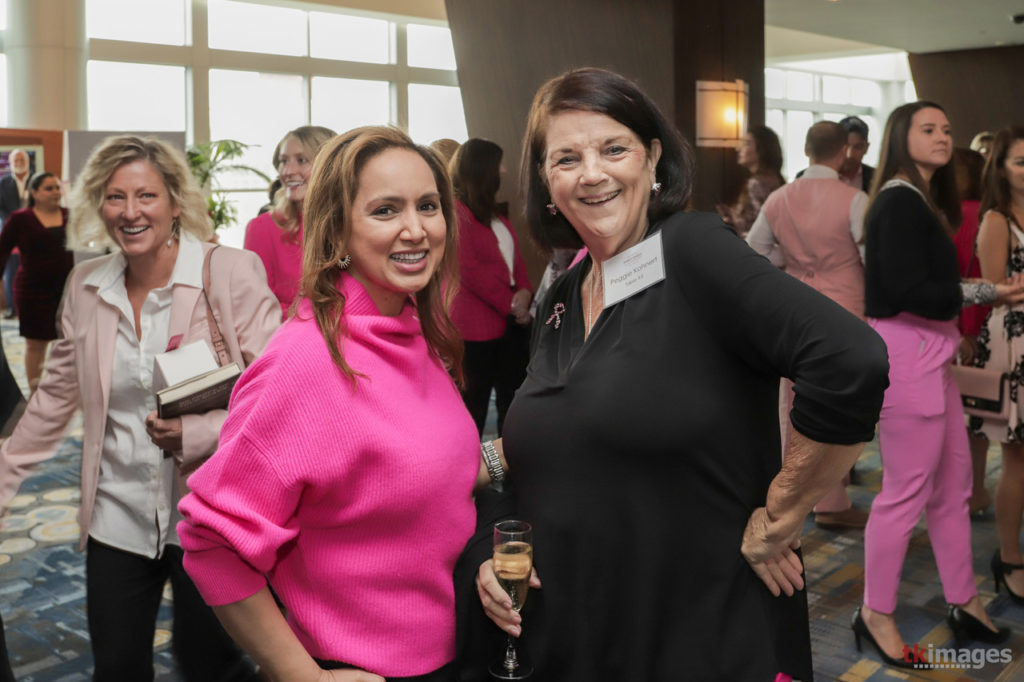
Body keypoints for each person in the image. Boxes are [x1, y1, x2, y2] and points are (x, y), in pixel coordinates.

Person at [470, 67, 889, 681]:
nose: (591, 173)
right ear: (544, 179)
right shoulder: (564, 295)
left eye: (614, 149)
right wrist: (491, 541)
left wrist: (782, 513)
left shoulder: (689, 249)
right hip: (580, 625)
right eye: (566, 158)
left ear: (654, 158)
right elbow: (557, 437)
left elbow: (851, 359)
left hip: (692, 629)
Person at [178, 126, 486, 681]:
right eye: (385, 210)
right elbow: (210, 542)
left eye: (428, 206)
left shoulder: (410, 328)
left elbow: (407, 471)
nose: (415, 229)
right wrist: (306, 678)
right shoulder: (307, 361)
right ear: (339, 229)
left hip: (450, 649)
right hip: (362, 665)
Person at [0, 134, 279, 681]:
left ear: (176, 202)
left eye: (146, 196)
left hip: (209, 515)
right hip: (117, 515)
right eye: (114, 197)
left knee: (208, 664)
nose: (129, 212)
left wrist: (199, 434)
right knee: (118, 665)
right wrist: (4, 476)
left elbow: (278, 397)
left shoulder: (228, 274)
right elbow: (55, 396)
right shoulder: (86, 286)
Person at [857, 102, 1017, 669]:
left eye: (947, 129)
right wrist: (985, 292)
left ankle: (964, 600)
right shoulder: (899, 200)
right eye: (929, 129)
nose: (943, 137)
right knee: (903, 495)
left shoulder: (918, 198)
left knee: (953, 487)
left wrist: (976, 292)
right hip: (908, 355)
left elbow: (924, 286)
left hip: (932, 352)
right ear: (901, 138)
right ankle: (874, 613)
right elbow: (901, 290)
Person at [747, 121, 870, 530]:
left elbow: (754, 253)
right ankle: (832, 502)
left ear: (805, 149)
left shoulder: (780, 198)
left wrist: (792, 265)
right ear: (842, 154)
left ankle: (791, 496)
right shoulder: (855, 199)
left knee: (792, 406)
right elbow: (870, 258)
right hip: (845, 310)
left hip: (795, 309)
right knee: (838, 408)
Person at [971, 125, 1024, 603]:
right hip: (1015, 343)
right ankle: (1010, 557)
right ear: (1002, 170)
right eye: (1020, 161)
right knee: (1017, 457)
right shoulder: (996, 220)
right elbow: (993, 289)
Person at [449, 139, 533, 436]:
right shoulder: (457, 213)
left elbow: (517, 260)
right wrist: (512, 303)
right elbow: (468, 270)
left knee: (513, 402)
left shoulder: (495, 214)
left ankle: (504, 471)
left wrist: (524, 292)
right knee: (474, 406)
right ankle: (470, 477)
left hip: (511, 322)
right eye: (499, 163)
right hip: (476, 331)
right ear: (482, 169)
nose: (504, 169)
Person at [244, 125, 335, 319]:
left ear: (329, 166)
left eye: (301, 160)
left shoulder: (352, 224)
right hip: (289, 342)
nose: (287, 171)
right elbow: (255, 308)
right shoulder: (263, 228)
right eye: (283, 161)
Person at [0, 172, 73, 392]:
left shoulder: (71, 216)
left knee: (67, 344)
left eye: (57, 188)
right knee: (36, 345)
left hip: (67, 291)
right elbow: (1, 252)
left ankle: (60, 393)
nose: (56, 192)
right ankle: (34, 395)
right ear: (35, 193)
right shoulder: (20, 219)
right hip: (33, 291)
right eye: (49, 188)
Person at [951, 147, 993, 515]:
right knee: (978, 415)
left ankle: (959, 490)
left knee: (953, 416)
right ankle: (975, 489)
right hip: (982, 326)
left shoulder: (947, 219)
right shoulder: (990, 217)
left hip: (950, 328)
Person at [717, 124, 785, 238]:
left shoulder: (756, 184)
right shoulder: (776, 180)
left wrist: (733, 222)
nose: (738, 148)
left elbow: (760, 227)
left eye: (747, 143)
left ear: (762, 149)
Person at [0, 149, 32, 318]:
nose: (19, 162)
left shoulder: (37, 180)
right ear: (11, 163)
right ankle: (13, 309)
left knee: (34, 270)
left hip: (34, 234)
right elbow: (1, 210)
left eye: (22, 159)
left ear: (27, 161)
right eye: (15, 160)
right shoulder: (2, 183)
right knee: (11, 272)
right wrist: (15, 224)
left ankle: (30, 308)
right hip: (10, 234)